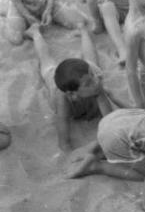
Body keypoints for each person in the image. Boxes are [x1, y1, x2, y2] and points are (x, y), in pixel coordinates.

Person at [27, 21, 126, 151]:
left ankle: (83, 30)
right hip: (58, 81)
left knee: (91, 61)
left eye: (94, 78)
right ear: (72, 94)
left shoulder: (94, 81)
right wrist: (70, 155)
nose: (96, 81)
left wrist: (98, 90)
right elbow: (64, 141)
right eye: (89, 83)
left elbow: (109, 120)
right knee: (46, 62)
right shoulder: (62, 100)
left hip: (82, 76)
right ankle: (35, 33)